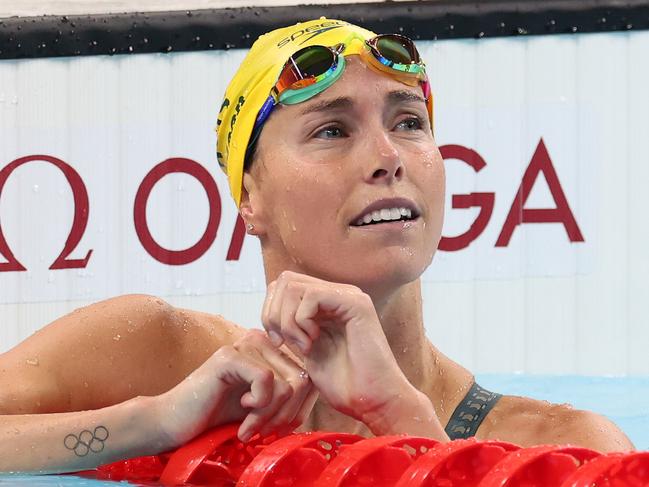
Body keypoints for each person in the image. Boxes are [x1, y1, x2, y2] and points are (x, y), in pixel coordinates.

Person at [0, 18, 633, 474]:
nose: (389, 157)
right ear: (250, 197)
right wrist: (154, 422)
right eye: (332, 129)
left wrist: (402, 419)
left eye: (409, 122)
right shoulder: (153, 352)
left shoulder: (562, 449)